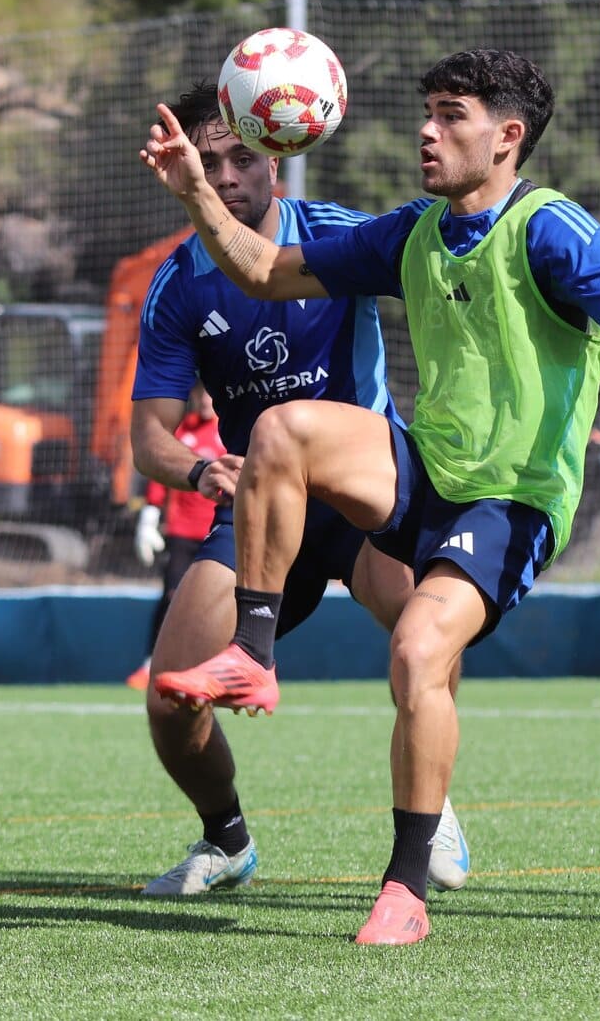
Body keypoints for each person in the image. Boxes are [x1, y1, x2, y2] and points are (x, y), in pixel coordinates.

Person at [141, 48, 600, 944]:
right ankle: (252, 651)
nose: (427, 131)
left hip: (509, 500)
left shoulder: (548, 226)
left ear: (508, 137)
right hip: (421, 466)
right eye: (426, 111)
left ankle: (406, 886)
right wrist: (197, 192)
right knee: (281, 429)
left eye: (451, 115)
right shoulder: (414, 230)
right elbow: (266, 270)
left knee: (417, 653)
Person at [129, 81, 470, 898]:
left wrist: (586, 331)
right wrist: (199, 468)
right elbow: (147, 437)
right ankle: (228, 839)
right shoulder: (178, 285)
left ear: (278, 157)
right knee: (172, 700)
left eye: (242, 157)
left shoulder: (344, 240)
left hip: (364, 497)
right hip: (257, 508)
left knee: (425, 633)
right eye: (207, 163)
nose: (225, 175)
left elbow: (474, 274)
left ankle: (436, 801)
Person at [126, 380, 225, 691]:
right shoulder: (182, 432)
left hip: (220, 531)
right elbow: (161, 471)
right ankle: (151, 663)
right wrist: (149, 516)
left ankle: (217, 666)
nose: (205, 399)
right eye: (200, 393)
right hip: (183, 532)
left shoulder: (231, 431)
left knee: (220, 602)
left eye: (210, 392)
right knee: (172, 596)